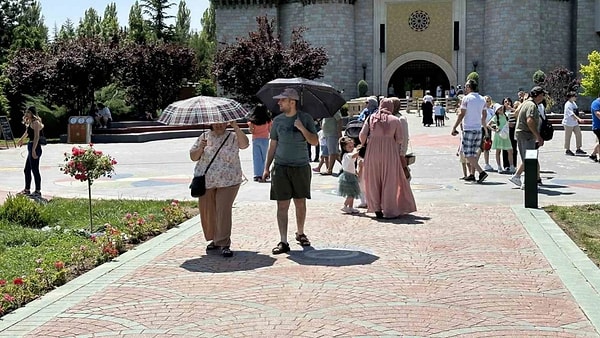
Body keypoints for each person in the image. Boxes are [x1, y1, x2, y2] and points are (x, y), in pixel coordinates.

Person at [262, 88, 318, 254]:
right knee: (282, 205)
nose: (278, 103)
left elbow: (314, 142)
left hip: (300, 167)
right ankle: (283, 241)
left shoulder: (305, 118)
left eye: (282, 100)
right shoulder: (277, 121)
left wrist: (302, 128)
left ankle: (300, 233)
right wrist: (266, 167)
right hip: (280, 167)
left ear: (292, 102)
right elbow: (272, 145)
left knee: (300, 203)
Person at [189, 120, 249, 257]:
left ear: (227, 123)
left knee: (223, 210)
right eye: (216, 123)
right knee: (208, 211)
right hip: (207, 181)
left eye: (222, 122)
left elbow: (244, 144)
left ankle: (224, 243)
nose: (219, 125)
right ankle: (215, 239)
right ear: (210, 123)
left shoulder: (233, 136)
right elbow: (193, 157)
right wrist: (200, 148)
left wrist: (236, 127)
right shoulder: (204, 136)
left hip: (229, 180)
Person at [359, 98, 416, 219]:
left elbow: (362, 136)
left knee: (374, 180)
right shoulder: (395, 120)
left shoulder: (371, 118)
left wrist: (370, 140)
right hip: (390, 153)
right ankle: (389, 209)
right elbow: (400, 139)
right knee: (389, 180)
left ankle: (376, 208)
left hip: (372, 152)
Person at [508, 86, 547, 188]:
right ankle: (524, 181)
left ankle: (523, 180)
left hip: (521, 134)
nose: (543, 97)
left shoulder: (525, 103)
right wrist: (538, 136)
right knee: (529, 160)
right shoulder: (532, 105)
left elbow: (516, 113)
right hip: (527, 135)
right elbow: (530, 121)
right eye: (542, 95)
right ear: (538, 95)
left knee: (527, 159)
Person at [450, 79, 488, 183]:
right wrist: (485, 129)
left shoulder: (466, 99)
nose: (465, 88)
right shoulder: (482, 99)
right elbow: (484, 116)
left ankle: (481, 172)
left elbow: (461, 114)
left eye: (466, 86)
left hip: (469, 128)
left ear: (469, 87)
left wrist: (454, 127)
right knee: (474, 153)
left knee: (467, 153)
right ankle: (472, 174)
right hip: (478, 129)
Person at [16, 106, 45, 198]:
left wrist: (33, 150)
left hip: (35, 147)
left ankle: (37, 191)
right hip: (31, 146)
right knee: (27, 169)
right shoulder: (31, 122)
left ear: (32, 113)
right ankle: (27, 189)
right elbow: (27, 133)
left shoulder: (36, 122)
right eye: (26, 112)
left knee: (35, 169)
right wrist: (21, 140)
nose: (26, 114)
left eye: (28, 112)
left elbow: (36, 137)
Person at [247, 104, 272, 181]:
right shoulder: (268, 120)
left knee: (257, 157)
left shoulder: (252, 121)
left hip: (256, 139)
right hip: (265, 139)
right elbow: (270, 130)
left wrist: (250, 128)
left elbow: (252, 131)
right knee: (265, 157)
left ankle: (257, 174)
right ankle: (265, 173)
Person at [487, 103, 515, 173]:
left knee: (510, 151)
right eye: (499, 109)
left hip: (506, 135)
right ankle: (499, 166)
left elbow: (514, 115)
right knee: (498, 151)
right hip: (499, 135)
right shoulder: (496, 117)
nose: (501, 109)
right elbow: (488, 125)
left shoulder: (506, 115)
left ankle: (511, 166)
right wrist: (494, 129)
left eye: (501, 108)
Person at [338, 136, 361, 214]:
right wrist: (361, 150)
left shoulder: (348, 154)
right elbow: (355, 155)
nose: (352, 148)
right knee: (351, 194)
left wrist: (356, 172)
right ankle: (345, 206)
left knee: (353, 193)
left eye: (352, 146)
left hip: (351, 175)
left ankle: (350, 207)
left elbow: (350, 166)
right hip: (348, 177)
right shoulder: (347, 155)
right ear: (344, 147)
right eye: (349, 147)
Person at [562, 91, 586, 156]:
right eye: (575, 96)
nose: (576, 97)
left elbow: (575, 111)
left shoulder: (574, 103)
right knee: (568, 136)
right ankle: (567, 150)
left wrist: (580, 114)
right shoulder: (568, 104)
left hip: (574, 123)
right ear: (571, 97)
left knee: (579, 134)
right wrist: (579, 119)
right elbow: (571, 114)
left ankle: (578, 148)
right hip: (568, 123)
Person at [321, 110, 342, 175]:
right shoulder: (326, 110)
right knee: (335, 153)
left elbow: (339, 120)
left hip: (332, 134)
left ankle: (329, 170)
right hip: (327, 134)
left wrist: (339, 131)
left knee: (332, 152)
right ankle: (347, 166)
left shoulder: (334, 110)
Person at [590, 92, 600, 162]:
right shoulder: (595, 103)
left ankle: (593, 155)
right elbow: (598, 114)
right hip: (597, 127)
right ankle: (593, 155)